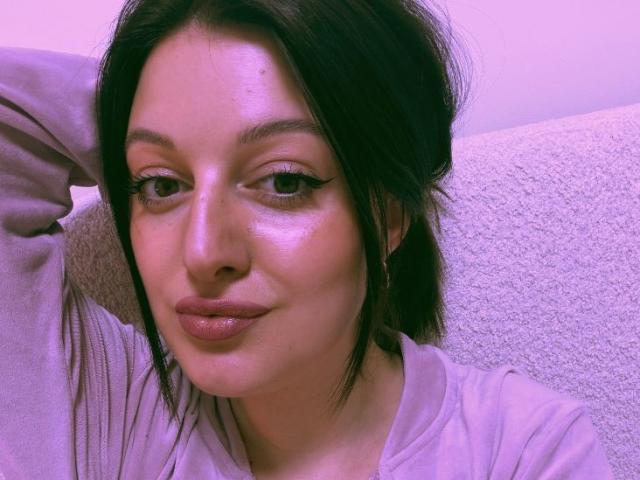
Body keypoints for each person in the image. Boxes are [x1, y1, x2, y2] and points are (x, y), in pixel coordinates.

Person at [0, 1, 613, 479]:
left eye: (284, 181)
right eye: (161, 185)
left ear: (389, 215)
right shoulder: (118, 416)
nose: (203, 252)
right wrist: (143, 107)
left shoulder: (521, 451)